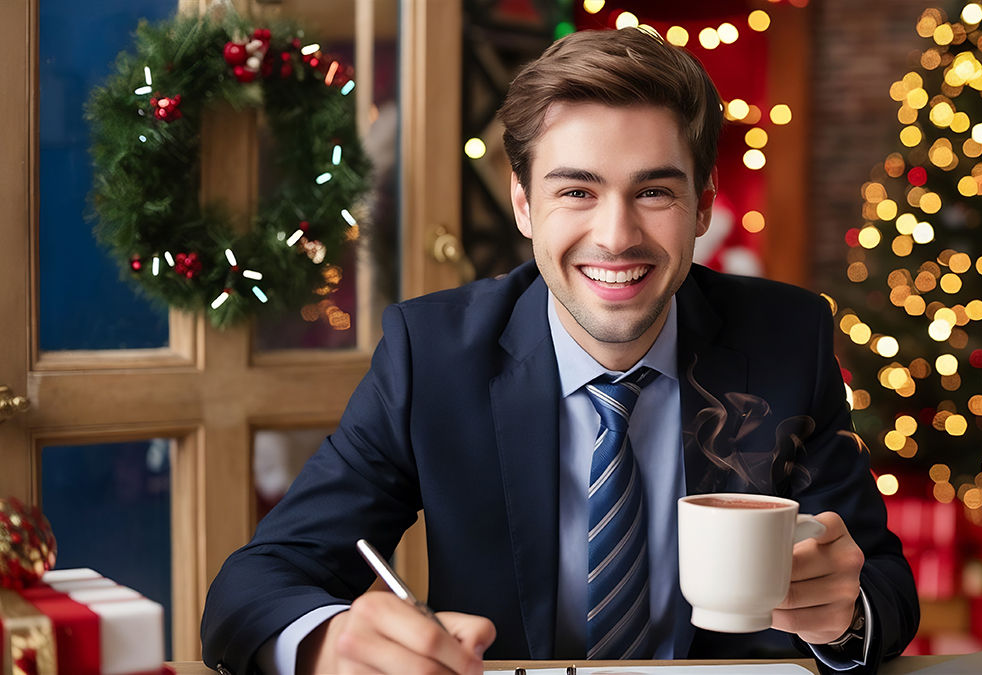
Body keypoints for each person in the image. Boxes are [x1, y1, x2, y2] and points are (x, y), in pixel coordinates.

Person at [201, 27, 918, 675]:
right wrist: (328, 643)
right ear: (522, 203)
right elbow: (254, 583)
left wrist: (845, 615)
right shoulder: (433, 355)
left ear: (703, 204)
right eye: (577, 189)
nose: (616, 235)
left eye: (655, 193)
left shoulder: (787, 337)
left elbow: (881, 580)